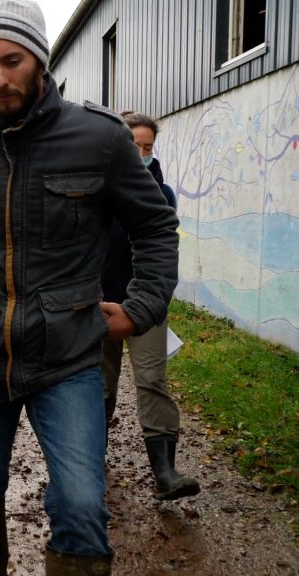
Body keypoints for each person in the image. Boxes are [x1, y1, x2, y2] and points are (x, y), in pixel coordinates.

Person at [0, 1, 180, 574]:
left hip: (68, 355)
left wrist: (142, 307)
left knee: (83, 504)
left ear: (39, 57)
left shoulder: (100, 137)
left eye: (11, 61)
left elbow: (156, 226)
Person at [103, 111, 199, 501]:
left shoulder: (163, 194)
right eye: (134, 146)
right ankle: (90, 457)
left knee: (153, 380)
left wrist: (154, 300)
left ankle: (165, 470)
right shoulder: (96, 187)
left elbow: (162, 253)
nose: (141, 154)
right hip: (99, 301)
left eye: (147, 147)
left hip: (145, 304)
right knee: (98, 384)